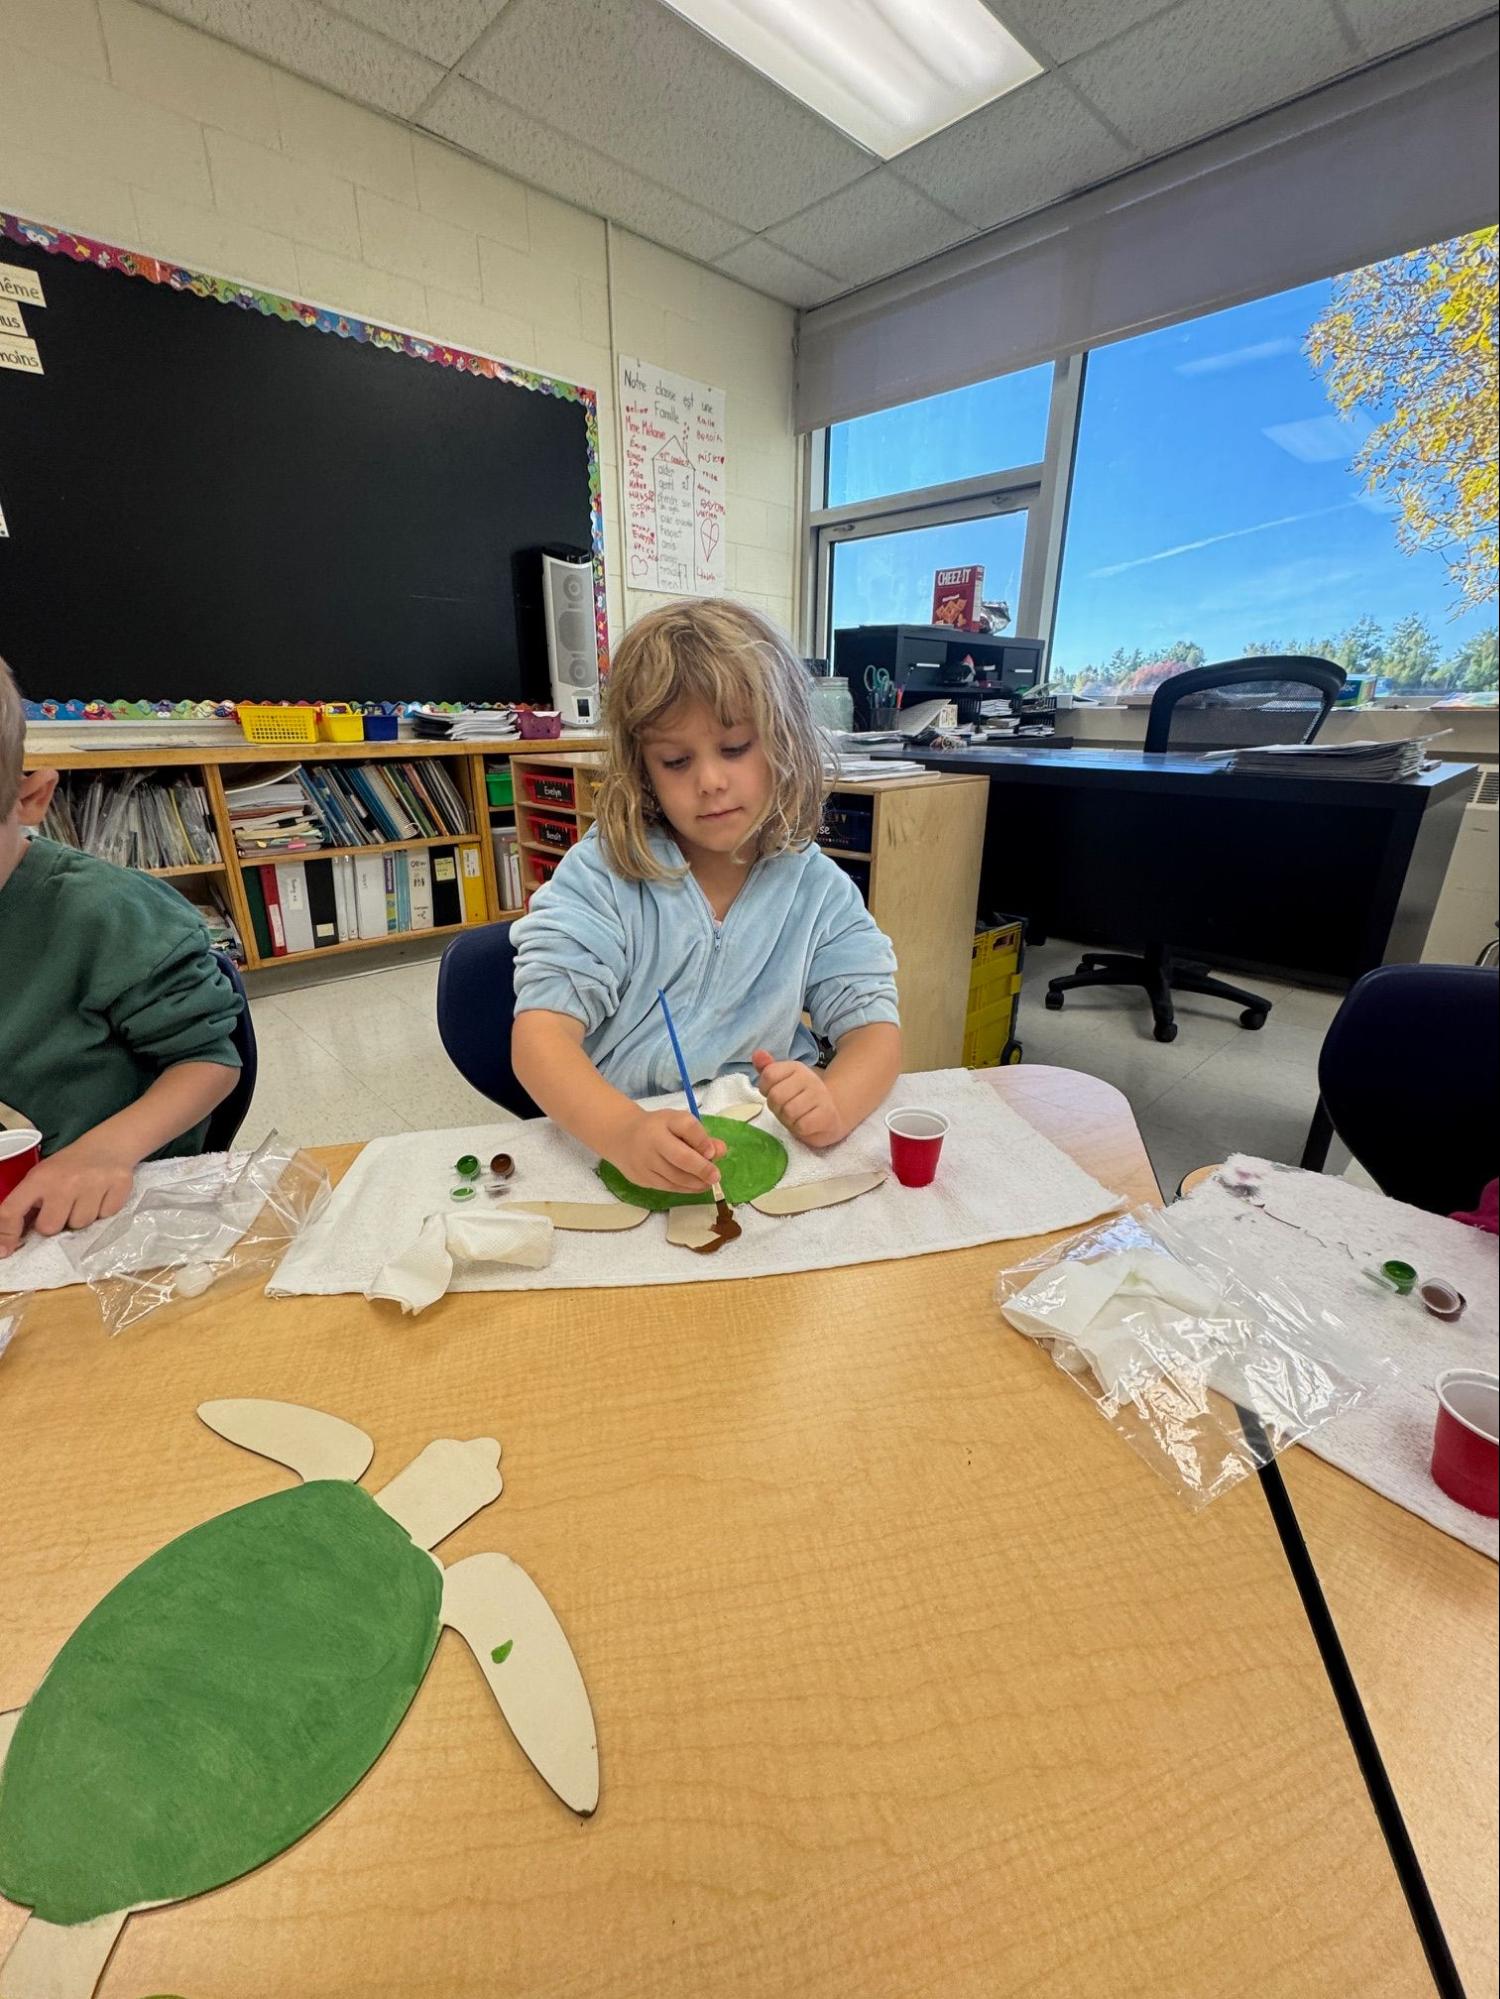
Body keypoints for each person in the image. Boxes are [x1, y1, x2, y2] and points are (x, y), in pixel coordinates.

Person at [512, 600, 901, 1194]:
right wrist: (621, 1131)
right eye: (676, 760)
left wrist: (835, 1102)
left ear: (784, 744)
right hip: (623, 1144)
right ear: (643, 771)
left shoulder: (816, 888)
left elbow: (875, 1029)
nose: (710, 781)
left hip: (762, 1143)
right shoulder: (603, 874)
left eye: (736, 748)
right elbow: (539, 1038)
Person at [0, 657, 243, 1255]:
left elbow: (209, 1060)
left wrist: (104, 1152)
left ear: (31, 797)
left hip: (109, 1219)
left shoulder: (104, 915)